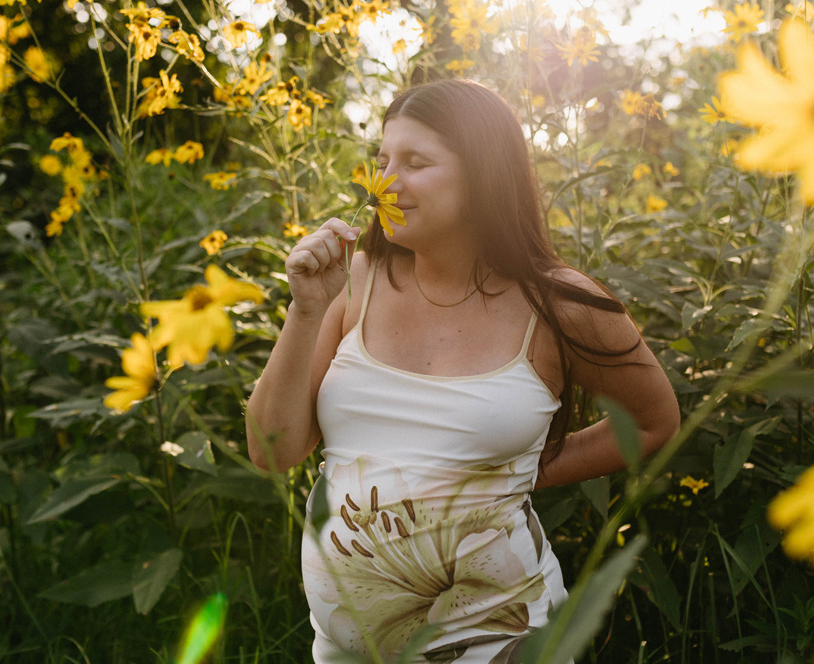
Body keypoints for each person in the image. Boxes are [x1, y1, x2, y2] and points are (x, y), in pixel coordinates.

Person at [245, 79, 680, 663]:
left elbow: (653, 423)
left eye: (416, 162)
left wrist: (514, 476)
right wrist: (306, 310)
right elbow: (272, 451)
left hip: (502, 642)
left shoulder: (561, 304)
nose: (385, 182)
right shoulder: (354, 281)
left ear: (483, 176)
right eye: (381, 161)